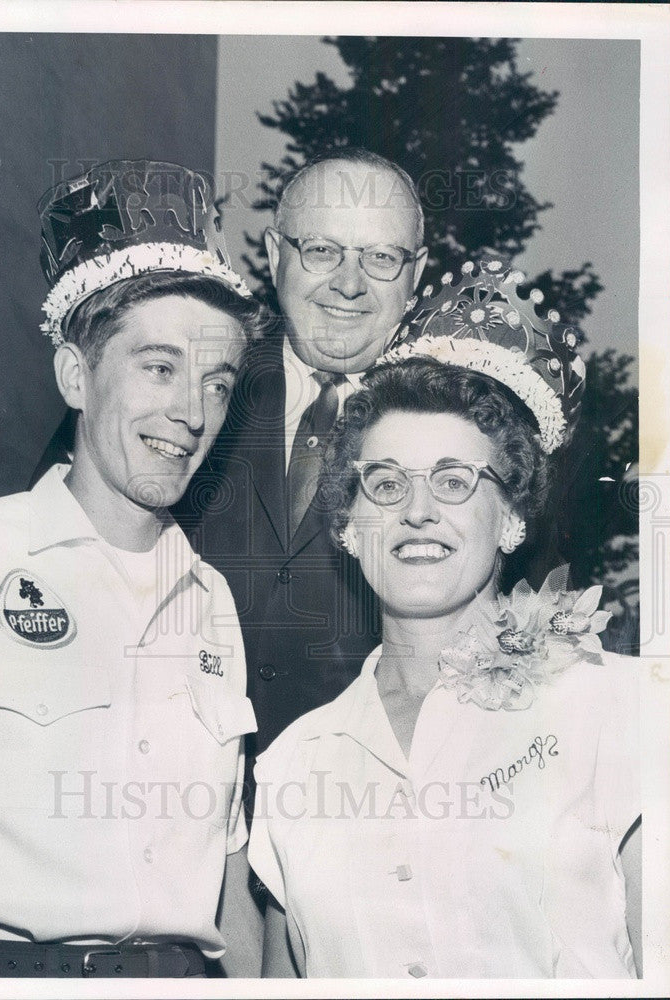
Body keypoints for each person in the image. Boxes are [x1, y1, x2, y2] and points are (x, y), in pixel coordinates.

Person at [0, 159, 265, 978]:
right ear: (75, 375)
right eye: (158, 368)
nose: (192, 414)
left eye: (217, 383)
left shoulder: (212, 604)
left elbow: (227, 870)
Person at [248, 257, 641, 978]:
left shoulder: (617, 708)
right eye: (386, 482)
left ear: (513, 517)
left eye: (456, 481)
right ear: (345, 522)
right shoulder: (293, 766)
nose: (417, 511)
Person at [177, 148, 429, 765]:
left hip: (362, 811)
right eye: (321, 250)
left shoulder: (456, 426)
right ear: (273, 253)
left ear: (415, 275)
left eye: (381, 258)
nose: (349, 283)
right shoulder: (185, 375)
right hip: (172, 798)